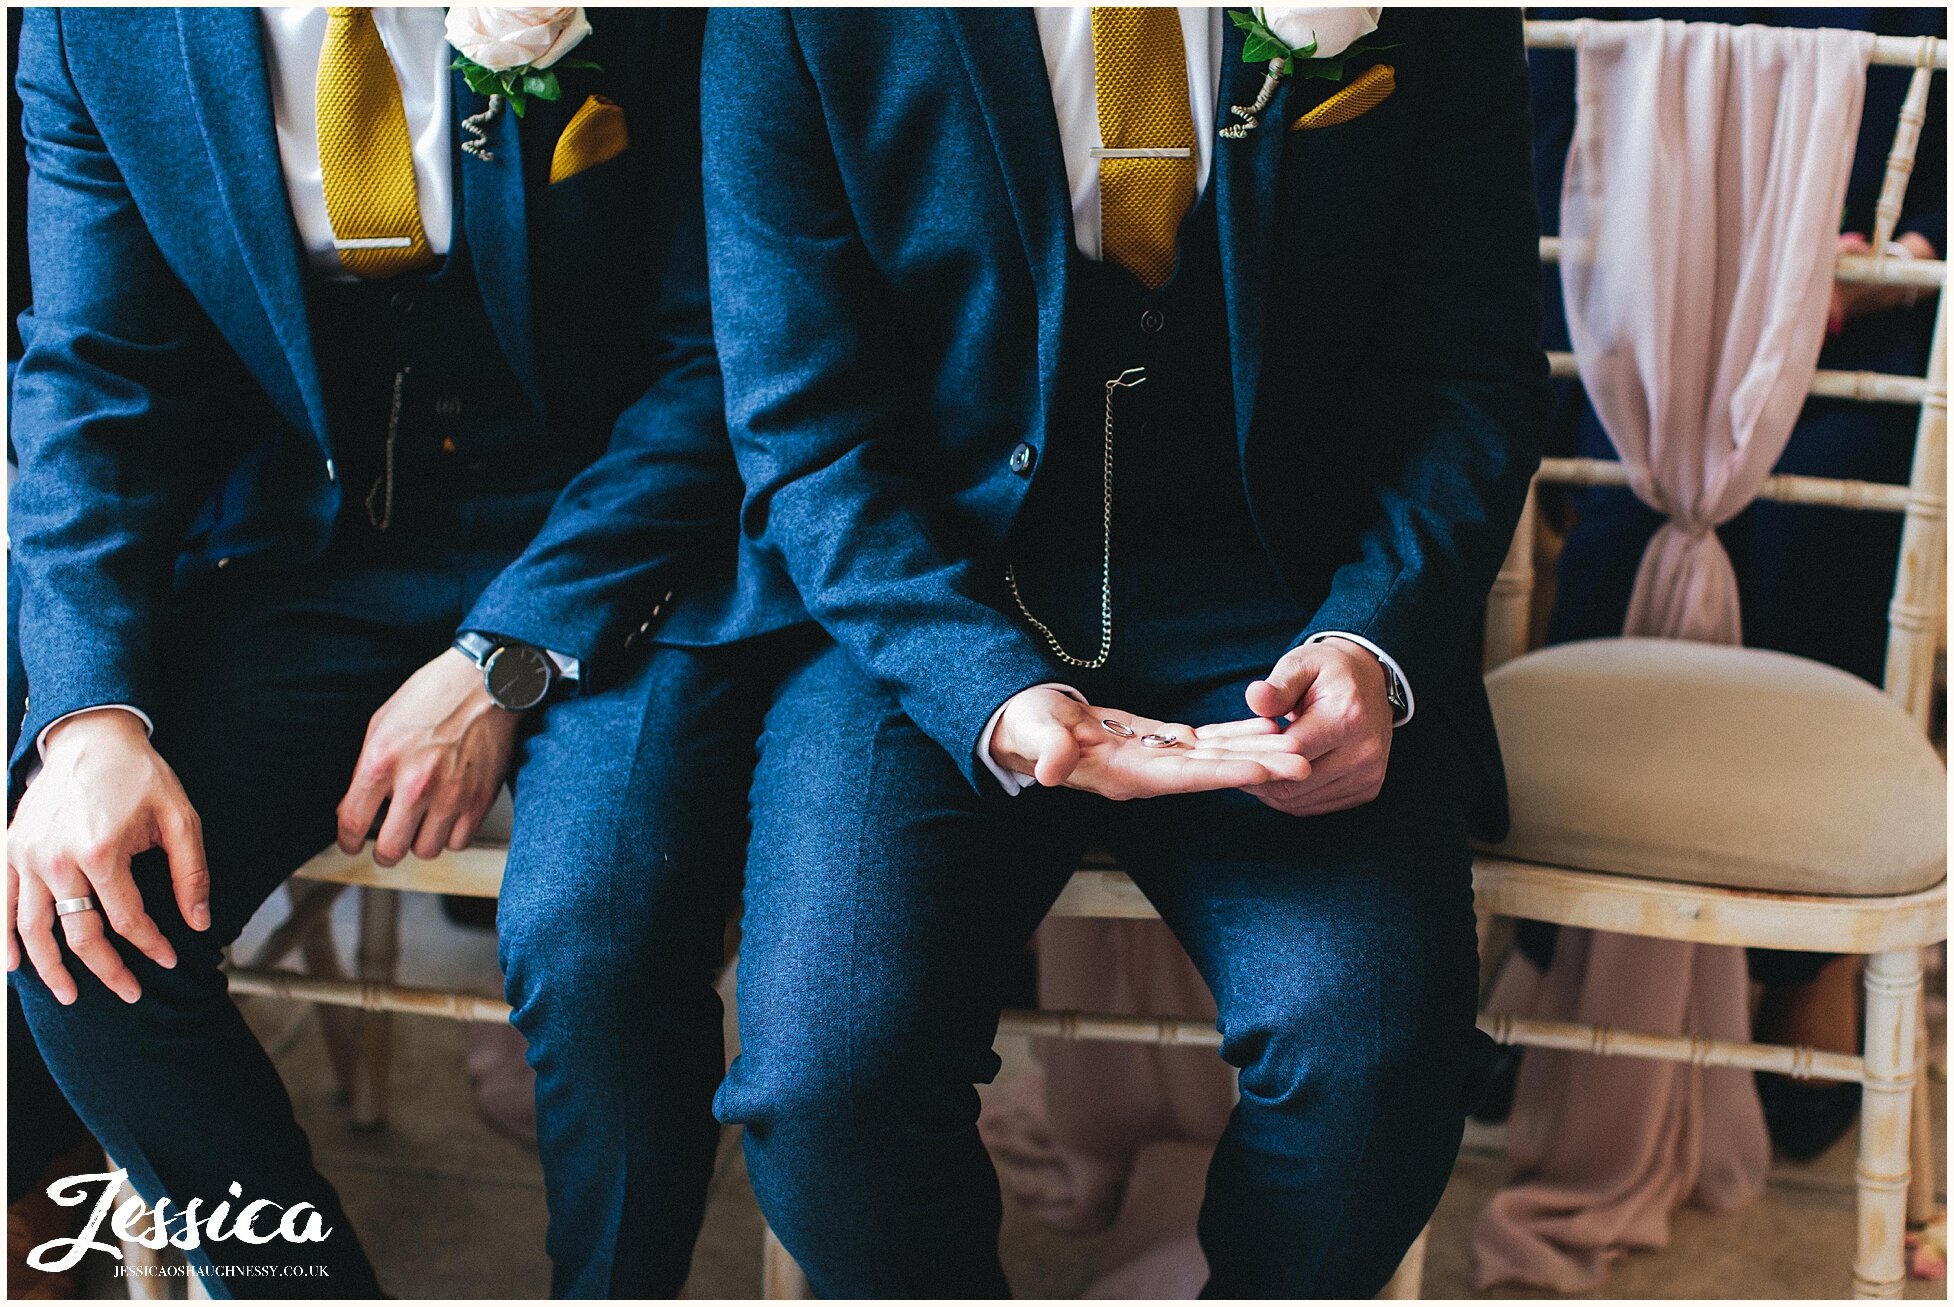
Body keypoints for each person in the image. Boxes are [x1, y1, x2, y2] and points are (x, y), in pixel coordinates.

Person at [700, 7, 1548, 1295]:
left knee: (1372, 1053)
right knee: (829, 1077)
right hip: (933, 599)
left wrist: (1372, 635)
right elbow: (803, 427)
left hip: (1290, 599)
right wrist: (982, 685)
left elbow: (1469, 373)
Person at [6, 7, 781, 1295]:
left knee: (601, 940)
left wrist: (500, 656)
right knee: (82, 914)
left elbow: (719, 357)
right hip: (315, 537)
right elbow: (96, 376)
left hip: (623, 535)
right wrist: (86, 717)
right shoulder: (100, 26)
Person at [1495, 5, 1946, 1161]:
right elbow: (1543, 135)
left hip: (1867, 336)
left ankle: (1816, 950)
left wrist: (1890, 263)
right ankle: (1555, 937)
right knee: (1625, 499)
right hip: (1640, 322)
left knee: (1837, 508)